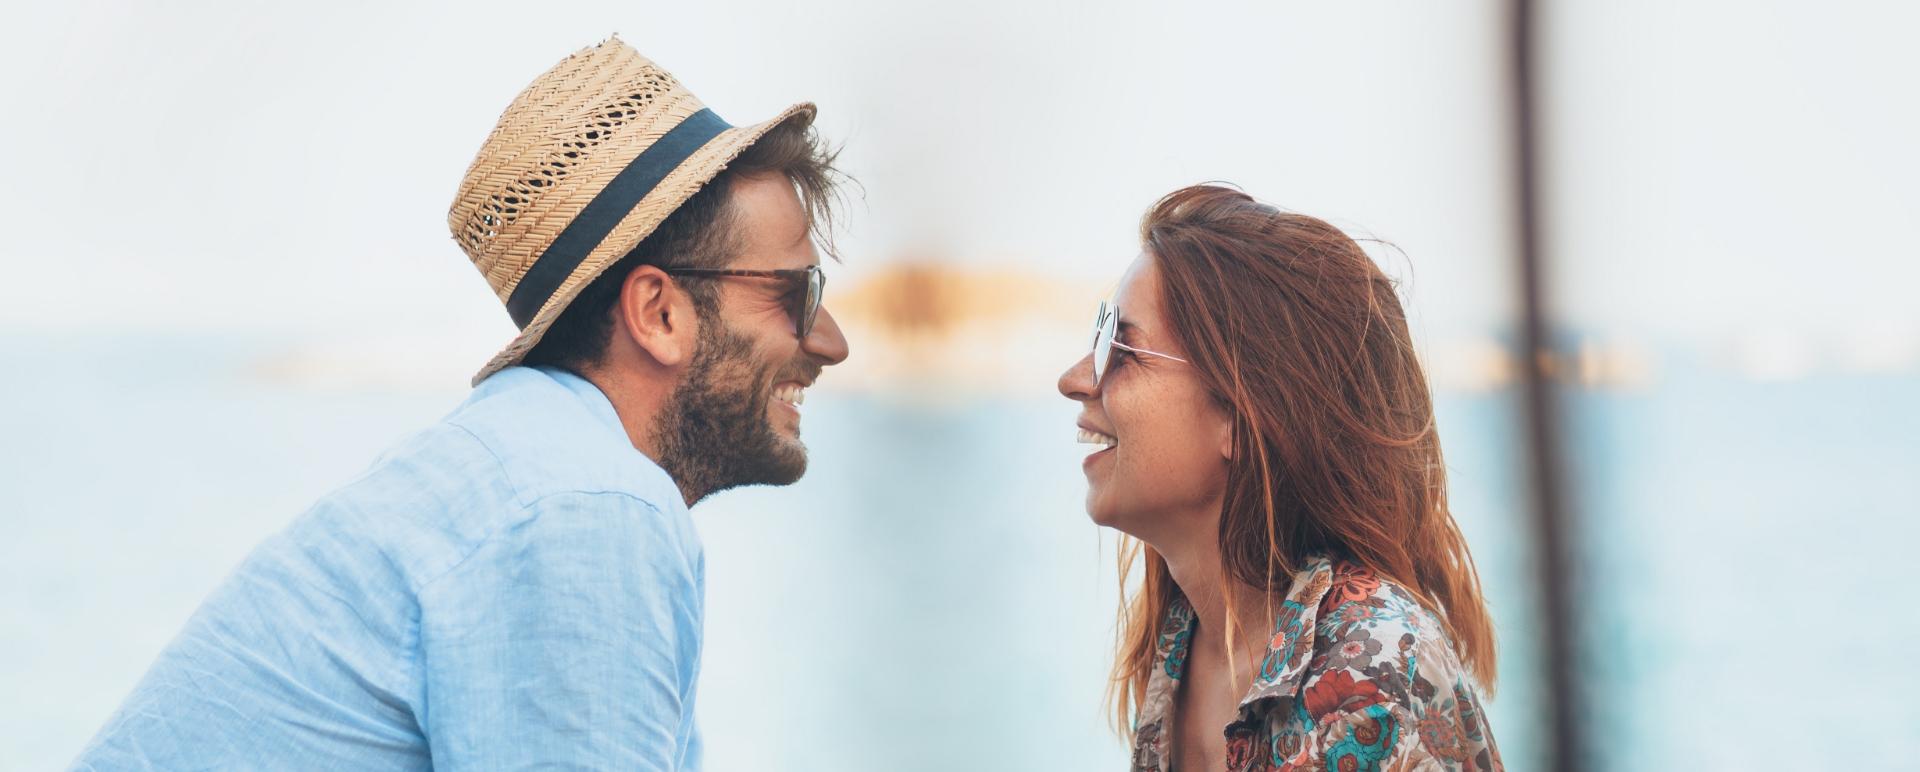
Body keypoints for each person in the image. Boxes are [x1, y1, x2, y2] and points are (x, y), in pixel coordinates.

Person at [70, 37, 848, 770]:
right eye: (795, 292)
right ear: (659, 313)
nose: (832, 341)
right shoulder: (582, 505)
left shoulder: (522, 472)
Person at [1058, 185, 1500, 771]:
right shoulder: (1185, 645)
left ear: (1241, 418)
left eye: (1122, 347)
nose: (1076, 379)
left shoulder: (1366, 675)